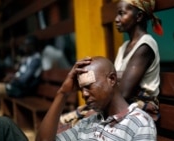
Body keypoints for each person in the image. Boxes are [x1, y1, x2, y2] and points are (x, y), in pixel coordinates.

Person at [0, 56, 157, 141]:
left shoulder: (139, 123)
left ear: (111, 79)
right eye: (81, 89)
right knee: (0, 126)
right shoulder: (91, 120)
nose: (84, 94)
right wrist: (62, 93)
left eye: (88, 86)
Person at [59, 0, 163, 128]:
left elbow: (124, 91)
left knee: (80, 123)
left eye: (121, 14)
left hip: (139, 105)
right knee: (66, 122)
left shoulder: (145, 45)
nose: (116, 19)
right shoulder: (124, 47)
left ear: (139, 16)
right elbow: (114, 81)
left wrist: (117, 77)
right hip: (120, 101)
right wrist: (119, 77)